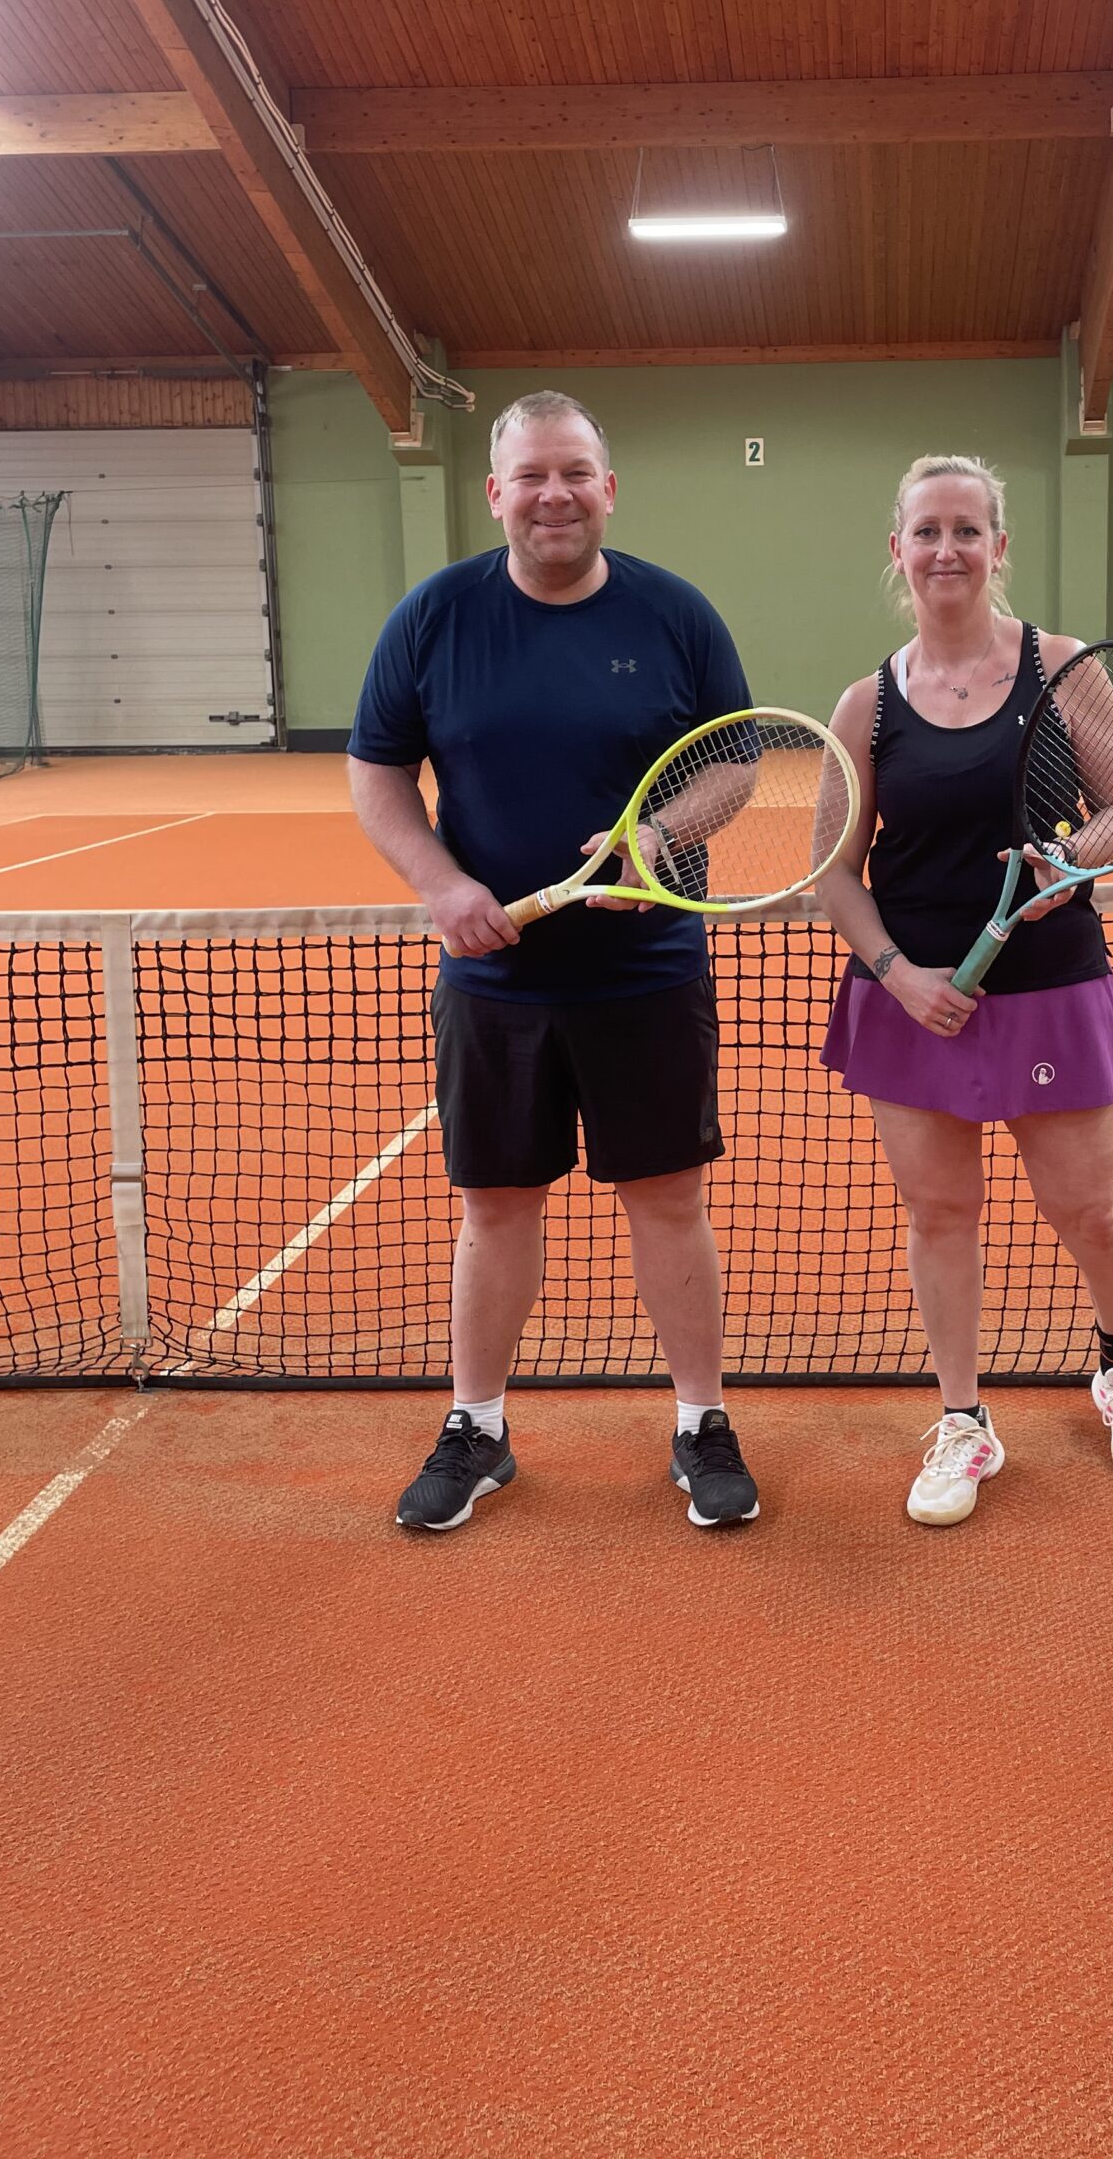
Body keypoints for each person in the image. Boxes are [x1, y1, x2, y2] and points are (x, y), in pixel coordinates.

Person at [347, 390, 762, 1533]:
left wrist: (667, 831)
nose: (554, 494)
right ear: (496, 492)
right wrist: (442, 885)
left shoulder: (676, 615)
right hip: (496, 985)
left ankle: (700, 1424)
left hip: (647, 970)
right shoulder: (433, 618)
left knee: (668, 1200)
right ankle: (476, 1427)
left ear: (608, 486)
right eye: (531, 475)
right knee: (495, 1208)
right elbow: (377, 770)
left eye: (575, 471)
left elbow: (735, 765)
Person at [813, 454, 1113, 1526]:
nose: (947, 550)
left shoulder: (1064, 671)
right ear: (898, 549)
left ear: (999, 546)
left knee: (1084, 1209)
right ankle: (965, 1420)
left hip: (1049, 984)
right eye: (926, 530)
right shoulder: (866, 703)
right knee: (940, 1213)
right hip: (915, 994)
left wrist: (1072, 867)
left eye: (967, 529)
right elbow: (832, 867)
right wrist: (897, 974)